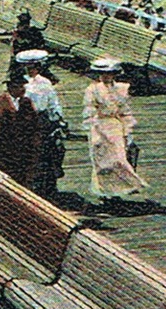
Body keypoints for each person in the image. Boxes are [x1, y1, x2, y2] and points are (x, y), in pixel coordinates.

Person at [83, 58, 148, 202]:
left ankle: (120, 188)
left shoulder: (121, 89)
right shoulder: (92, 90)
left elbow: (125, 111)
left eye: (109, 73)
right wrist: (92, 126)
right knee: (102, 160)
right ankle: (105, 192)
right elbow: (89, 110)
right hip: (99, 125)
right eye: (102, 73)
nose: (106, 76)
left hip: (115, 126)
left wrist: (128, 130)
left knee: (118, 158)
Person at [18, 50, 67, 199]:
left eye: (33, 66)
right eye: (28, 66)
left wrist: (59, 120)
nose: (30, 69)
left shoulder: (43, 83)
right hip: (29, 119)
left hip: (42, 120)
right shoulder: (23, 83)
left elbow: (53, 103)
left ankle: (47, 185)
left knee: (49, 151)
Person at [0, 75, 41, 187]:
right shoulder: (0, 105)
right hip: (6, 148)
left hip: (24, 148)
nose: (23, 89)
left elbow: (34, 124)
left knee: (24, 176)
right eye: (19, 87)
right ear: (11, 88)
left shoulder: (26, 103)